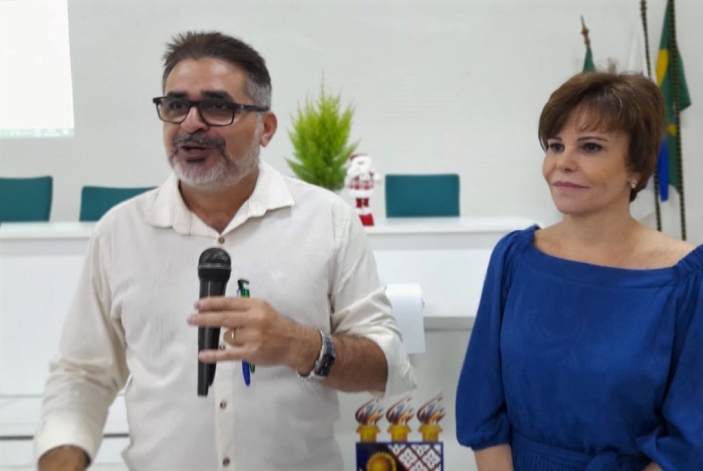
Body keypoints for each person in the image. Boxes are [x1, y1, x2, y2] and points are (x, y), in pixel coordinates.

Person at [34, 31, 416, 471]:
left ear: (265, 128)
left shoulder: (327, 221)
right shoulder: (120, 232)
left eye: (217, 107)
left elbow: (389, 367)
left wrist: (300, 346)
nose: (190, 124)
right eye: (176, 105)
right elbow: (82, 375)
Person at [455, 71, 703, 471]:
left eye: (590, 147)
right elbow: (482, 407)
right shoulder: (515, 258)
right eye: (555, 146)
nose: (563, 163)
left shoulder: (692, 280)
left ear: (635, 165)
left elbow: (693, 447)